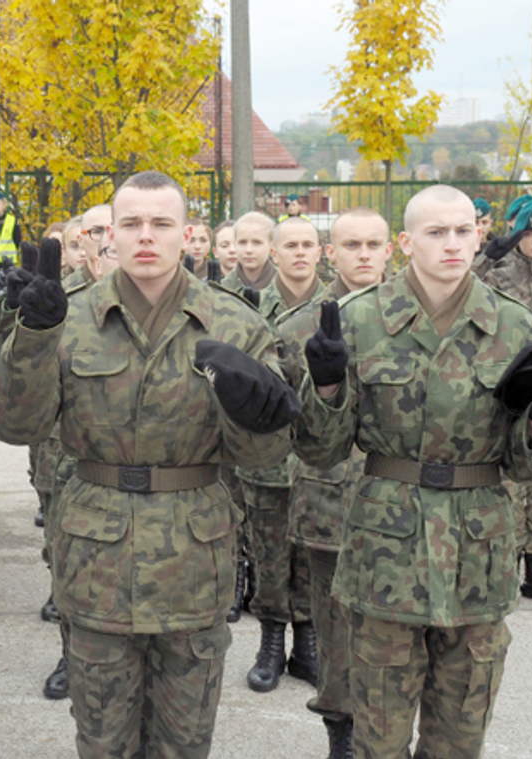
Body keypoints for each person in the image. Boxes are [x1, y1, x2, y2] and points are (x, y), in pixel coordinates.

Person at [0, 170, 299, 759]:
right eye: (130, 223)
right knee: (103, 740)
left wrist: (253, 415)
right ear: (110, 235)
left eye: (161, 223)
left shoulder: (235, 323)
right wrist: (33, 335)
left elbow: (265, 457)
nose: (146, 236)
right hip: (95, 554)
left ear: (188, 234)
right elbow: (14, 426)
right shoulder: (68, 315)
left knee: (185, 741)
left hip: (194, 553)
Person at [296, 184, 532, 759]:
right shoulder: (358, 322)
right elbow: (322, 451)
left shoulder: (515, 328)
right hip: (387, 554)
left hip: (478, 553)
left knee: (460, 740)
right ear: (407, 242)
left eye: (464, 231)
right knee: (377, 740)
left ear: (479, 235)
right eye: (436, 233)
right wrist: (329, 387)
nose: (453, 244)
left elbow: (525, 466)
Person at [274, 207, 392, 759]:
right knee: (336, 633)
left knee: (397, 637)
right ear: (331, 252)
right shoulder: (299, 327)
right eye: (351, 245)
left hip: (402, 511)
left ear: (392, 250)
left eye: (374, 244)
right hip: (330, 506)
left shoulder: (408, 316)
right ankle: (340, 736)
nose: (363, 254)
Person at [236, 217, 325, 694]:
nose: (299, 253)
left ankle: (306, 645)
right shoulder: (252, 308)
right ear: (274, 250)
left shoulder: (339, 308)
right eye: (289, 245)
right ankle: (271, 642)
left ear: (319, 251)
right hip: (267, 457)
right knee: (268, 554)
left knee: (311, 554)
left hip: (318, 460)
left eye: (307, 245)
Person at [485, 197, 532, 607]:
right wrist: (485, 256)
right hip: (508, 384)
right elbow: (461, 293)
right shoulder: (498, 274)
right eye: (527, 232)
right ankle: (506, 565)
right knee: (509, 483)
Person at [220, 212, 277, 295]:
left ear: (271, 245)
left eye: (257, 242)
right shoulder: (222, 289)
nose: (248, 250)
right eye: (242, 242)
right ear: (235, 244)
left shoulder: (286, 286)